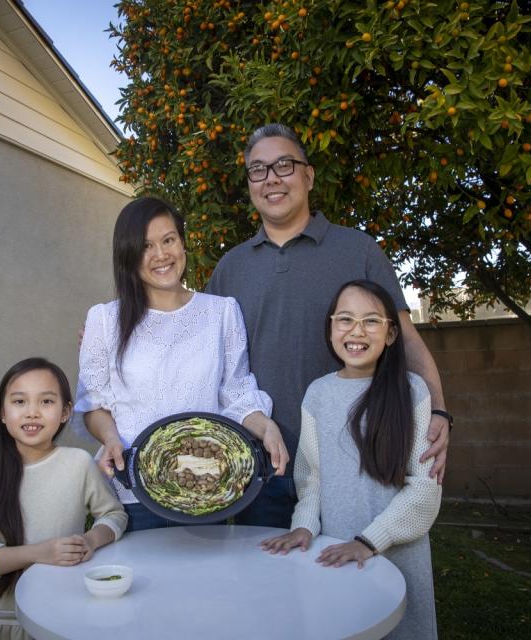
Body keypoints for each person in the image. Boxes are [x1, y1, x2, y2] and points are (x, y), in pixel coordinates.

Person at [205, 123, 451, 528]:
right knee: (270, 584)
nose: (271, 179)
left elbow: (405, 340)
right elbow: (199, 348)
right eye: (258, 169)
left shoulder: (358, 250)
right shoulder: (232, 267)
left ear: (308, 174)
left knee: (348, 578)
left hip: (352, 460)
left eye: (284, 165)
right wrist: (113, 339)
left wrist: (439, 411)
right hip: (263, 465)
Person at [75, 196, 289, 531]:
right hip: (134, 491)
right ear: (128, 255)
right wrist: (111, 438)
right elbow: (93, 405)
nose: (161, 255)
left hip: (207, 489)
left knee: (205, 583)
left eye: (168, 240)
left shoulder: (222, 312)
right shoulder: (104, 320)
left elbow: (236, 393)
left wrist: (267, 428)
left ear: (183, 244)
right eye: (146, 246)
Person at [261, 280, 441, 639]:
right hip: (336, 553)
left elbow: (424, 489)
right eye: (345, 319)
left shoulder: (412, 391)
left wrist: (370, 541)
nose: (356, 331)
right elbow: (311, 478)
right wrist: (304, 525)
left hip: (397, 554)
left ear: (391, 334)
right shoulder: (318, 393)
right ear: (331, 328)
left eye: (371, 321)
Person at [0, 357, 127, 640]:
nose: (32, 413)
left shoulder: (78, 464)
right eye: (19, 402)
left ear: (65, 412)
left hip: (55, 618)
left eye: (46, 402)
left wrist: (90, 540)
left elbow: (114, 514)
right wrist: (40, 553)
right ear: (2, 412)